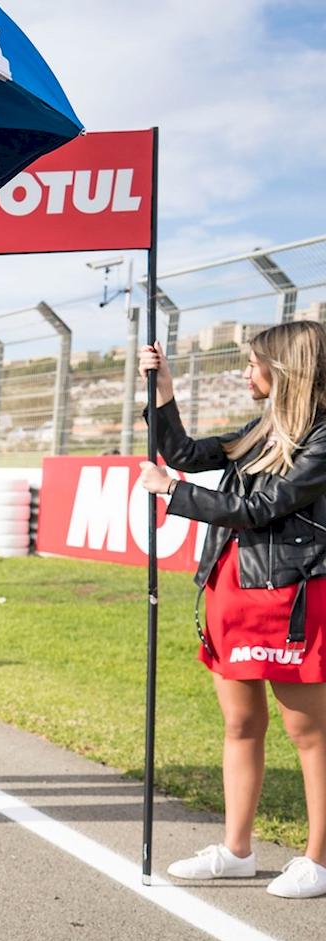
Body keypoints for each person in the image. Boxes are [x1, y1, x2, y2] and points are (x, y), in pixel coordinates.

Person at [139, 323, 326, 899]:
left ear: (286, 370)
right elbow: (186, 454)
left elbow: (264, 506)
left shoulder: (321, 438)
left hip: (293, 596)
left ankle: (318, 858)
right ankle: (237, 851)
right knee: (240, 724)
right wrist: (163, 392)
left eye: (253, 364)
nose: (246, 373)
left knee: (309, 730)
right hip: (234, 589)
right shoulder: (264, 427)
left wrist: (174, 495)